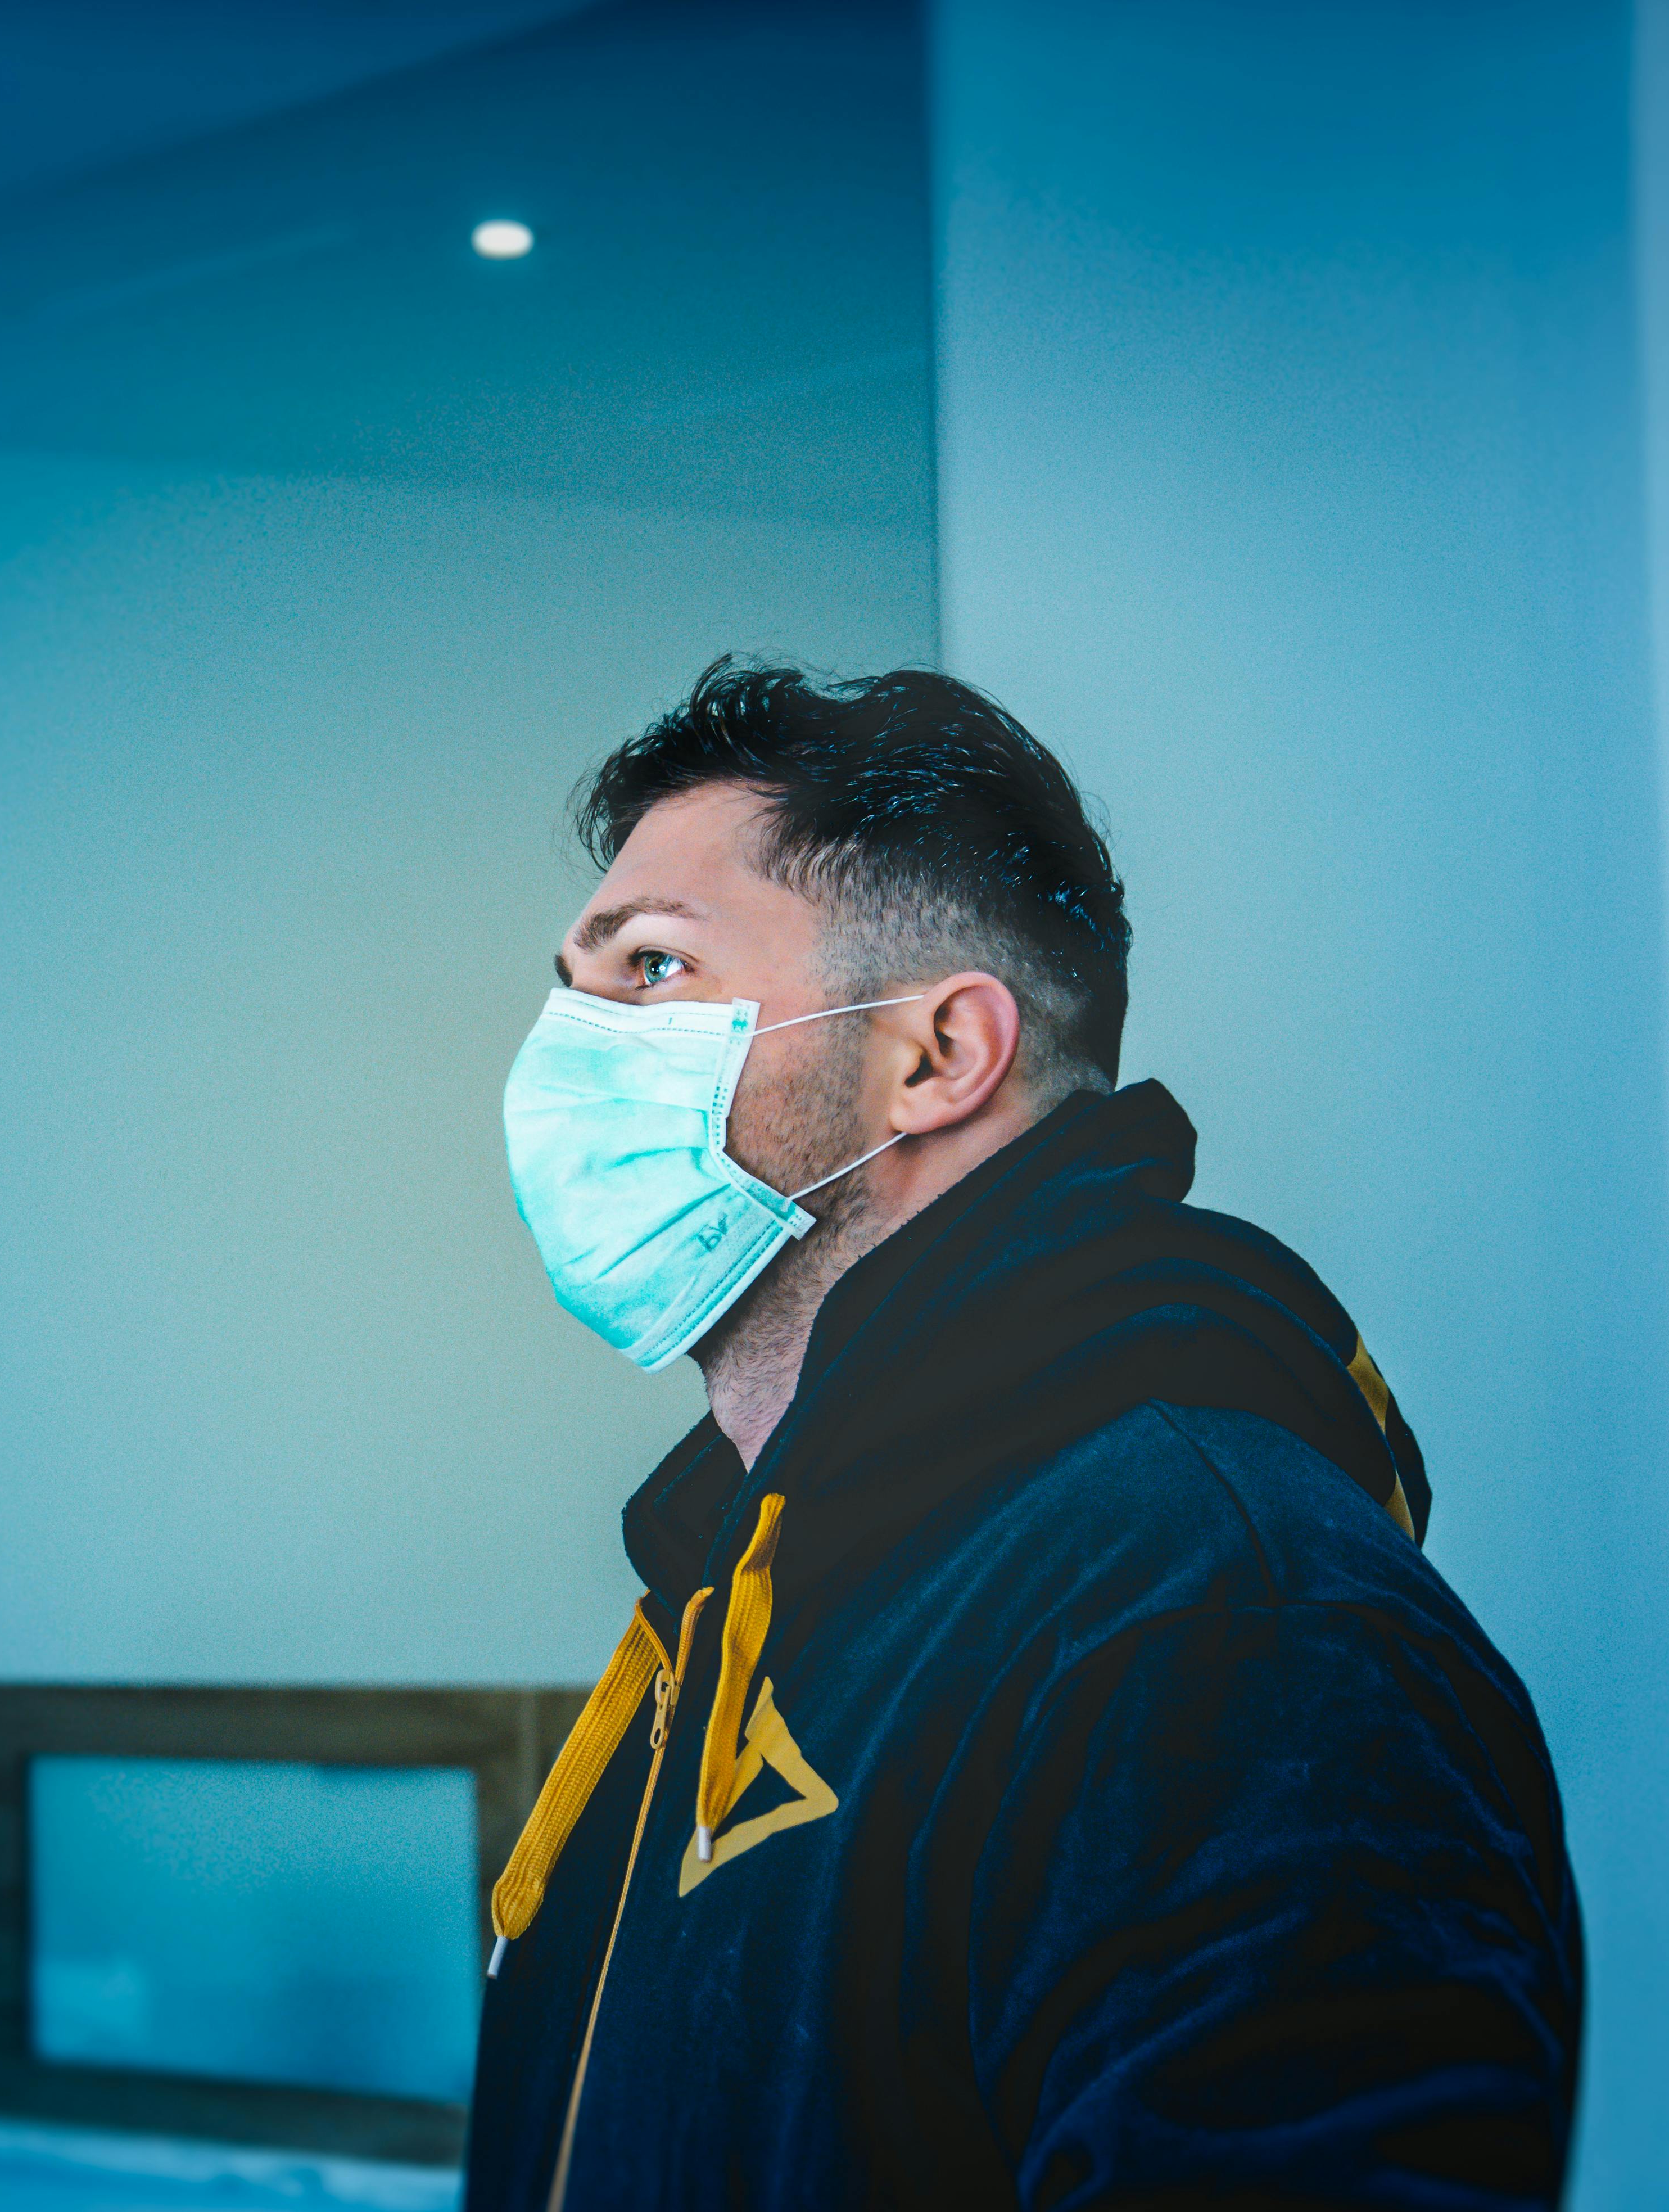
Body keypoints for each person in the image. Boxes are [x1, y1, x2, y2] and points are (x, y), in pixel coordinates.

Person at [470, 663, 1579, 2207]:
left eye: (648, 970)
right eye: (570, 985)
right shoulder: (743, 1608)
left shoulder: (1212, 1617)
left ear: (934, 1055)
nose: (563, 1055)